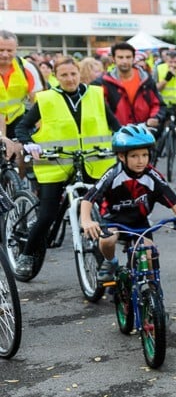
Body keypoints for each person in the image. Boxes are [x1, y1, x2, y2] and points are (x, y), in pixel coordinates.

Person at [15, 57, 121, 277]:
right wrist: (29, 144)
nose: (70, 79)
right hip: (55, 165)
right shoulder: (46, 99)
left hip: (93, 163)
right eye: (64, 75)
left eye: (73, 74)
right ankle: (26, 254)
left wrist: (123, 143)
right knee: (47, 216)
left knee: (102, 212)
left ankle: (106, 262)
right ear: (56, 76)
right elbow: (22, 127)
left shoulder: (95, 95)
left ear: (79, 73)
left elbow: (115, 126)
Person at [79, 124, 176, 282]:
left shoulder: (152, 175)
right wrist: (86, 221)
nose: (141, 161)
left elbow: (168, 195)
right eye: (134, 156)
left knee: (149, 255)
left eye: (145, 155)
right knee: (107, 240)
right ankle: (110, 261)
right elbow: (89, 197)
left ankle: (153, 295)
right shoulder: (113, 174)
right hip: (114, 220)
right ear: (121, 157)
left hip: (140, 222)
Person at [95, 42, 165, 136]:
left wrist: (154, 118)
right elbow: (101, 109)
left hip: (144, 132)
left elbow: (157, 103)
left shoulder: (146, 79)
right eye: (120, 57)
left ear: (133, 58)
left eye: (128, 57)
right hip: (118, 133)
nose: (125, 61)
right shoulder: (105, 82)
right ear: (113, 59)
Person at [0, 30, 36, 163]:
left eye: (9, 50)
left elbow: (37, 102)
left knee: (19, 156)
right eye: (1, 49)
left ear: (16, 49)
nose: (5, 54)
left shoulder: (27, 68)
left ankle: (16, 181)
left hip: (17, 118)